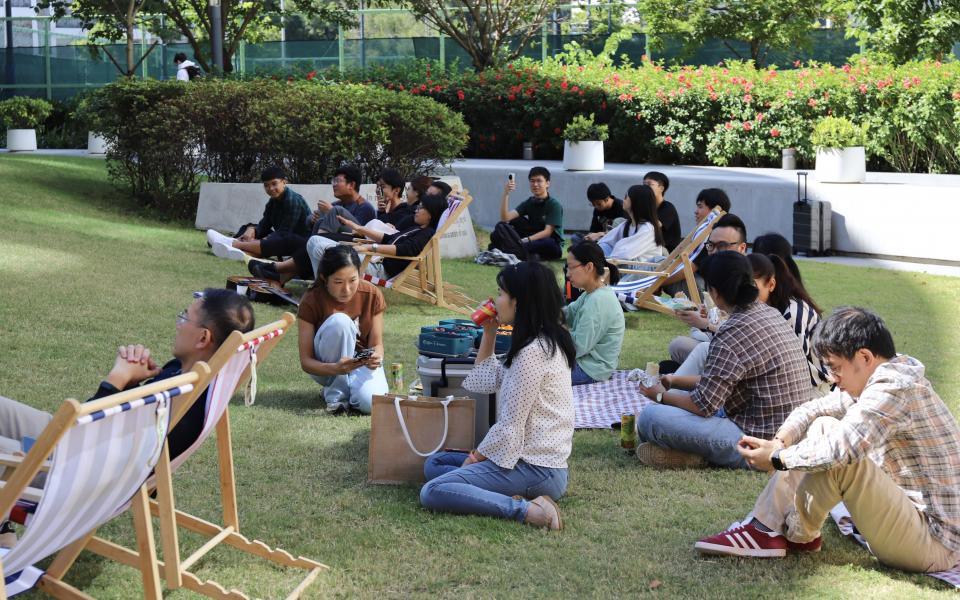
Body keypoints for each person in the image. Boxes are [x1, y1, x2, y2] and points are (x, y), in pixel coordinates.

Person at [696, 308, 960, 573]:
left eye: (835, 368)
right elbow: (814, 409)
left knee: (844, 459)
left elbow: (841, 450)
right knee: (824, 425)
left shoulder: (893, 388)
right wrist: (779, 442)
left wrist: (777, 459)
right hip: (914, 520)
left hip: (936, 543)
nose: (832, 378)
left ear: (864, 357)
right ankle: (776, 530)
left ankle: (775, 532)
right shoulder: (883, 373)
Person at [0, 289, 254, 462]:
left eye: (185, 317)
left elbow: (81, 435)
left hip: (68, 468)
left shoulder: (171, 398)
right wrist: (134, 383)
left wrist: (117, 379)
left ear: (203, 338)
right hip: (72, 449)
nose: (179, 324)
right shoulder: (187, 379)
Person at [419, 261, 575, 529]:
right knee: (436, 463)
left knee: (432, 490)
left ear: (520, 302)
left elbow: (510, 427)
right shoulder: (538, 341)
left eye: (501, 293)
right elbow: (483, 381)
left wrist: (475, 457)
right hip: (527, 461)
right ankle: (498, 492)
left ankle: (529, 511)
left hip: (535, 468)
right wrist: (489, 332)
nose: (495, 300)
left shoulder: (532, 353)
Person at [636, 251, 814, 469]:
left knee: (650, 418)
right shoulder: (769, 313)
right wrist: (674, 381)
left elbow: (704, 406)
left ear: (715, 293)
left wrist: (661, 396)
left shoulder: (731, 332)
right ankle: (689, 455)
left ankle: (696, 456)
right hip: (788, 430)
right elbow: (720, 383)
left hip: (760, 441)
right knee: (675, 406)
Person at [664, 253, 830, 394]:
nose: (744, 291)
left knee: (702, 351)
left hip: (808, 389)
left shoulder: (793, 313)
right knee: (691, 347)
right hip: (769, 381)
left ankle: (671, 390)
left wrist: (707, 325)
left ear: (771, 284)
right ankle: (674, 387)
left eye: (751, 285)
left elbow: (793, 367)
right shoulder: (761, 308)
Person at [296, 245, 388, 414]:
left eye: (353, 280)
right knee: (341, 322)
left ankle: (351, 387)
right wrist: (336, 369)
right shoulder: (311, 300)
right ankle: (337, 397)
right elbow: (306, 362)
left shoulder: (372, 294)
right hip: (327, 365)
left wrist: (376, 356)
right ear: (324, 278)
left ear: (360, 274)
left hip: (361, 362)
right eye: (338, 282)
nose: (346, 290)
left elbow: (377, 344)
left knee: (372, 404)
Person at [665, 213, 748, 369]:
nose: (715, 252)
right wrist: (704, 315)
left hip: (742, 351)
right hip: (719, 338)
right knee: (678, 345)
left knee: (688, 348)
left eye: (722, 245)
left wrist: (705, 324)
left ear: (742, 248)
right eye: (711, 246)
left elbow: (744, 335)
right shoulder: (716, 274)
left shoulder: (748, 279)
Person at [206, 166, 312, 262]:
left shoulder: (293, 200)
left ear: (284, 182)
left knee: (280, 239)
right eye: (266, 185)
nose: (270, 189)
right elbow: (265, 225)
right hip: (282, 239)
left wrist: (262, 240)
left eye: (274, 184)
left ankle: (232, 244)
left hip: (299, 244)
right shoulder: (272, 202)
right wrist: (253, 231)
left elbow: (284, 232)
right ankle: (243, 253)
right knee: (247, 227)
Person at [337, 193, 447, 280]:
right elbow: (389, 238)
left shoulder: (427, 234)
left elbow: (404, 249)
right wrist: (359, 228)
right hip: (375, 261)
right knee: (326, 247)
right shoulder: (417, 228)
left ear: (431, 214)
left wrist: (369, 248)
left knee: (332, 253)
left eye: (421, 207)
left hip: (381, 269)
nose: (416, 210)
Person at [564, 242, 625, 385]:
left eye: (571, 267)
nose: (568, 274)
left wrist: (556, 328)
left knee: (535, 372)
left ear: (589, 267)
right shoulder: (591, 294)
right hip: (584, 363)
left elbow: (577, 347)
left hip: (590, 369)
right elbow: (569, 313)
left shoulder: (598, 301)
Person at [490, 166, 564, 260]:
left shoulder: (554, 205)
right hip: (531, 239)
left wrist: (525, 240)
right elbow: (505, 218)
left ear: (547, 183)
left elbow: (547, 232)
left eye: (539, 181)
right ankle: (519, 251)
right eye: (532, 181)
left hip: (550, 244)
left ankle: (508, 249)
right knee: (504, 225)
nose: (535, 184)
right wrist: (506, 193)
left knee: (548, 242)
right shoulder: (529, 202)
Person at [596, 184, 665, 263]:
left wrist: (616, 247)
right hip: (626, 264)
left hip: (641, 270)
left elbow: (626, 254)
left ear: (636, 202)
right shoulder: (627, 224)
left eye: (626, 197)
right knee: (601, 247)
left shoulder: (648, 228)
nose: (623, 200)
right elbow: (606, 241)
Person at [643, 171, 680, 252]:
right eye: (644, 184)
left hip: (666, 252)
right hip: (650, 248)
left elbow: (651, 227)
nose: (645, 188)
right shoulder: (646, 207)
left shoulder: (668, 208)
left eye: (649, 184)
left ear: (661, 188)